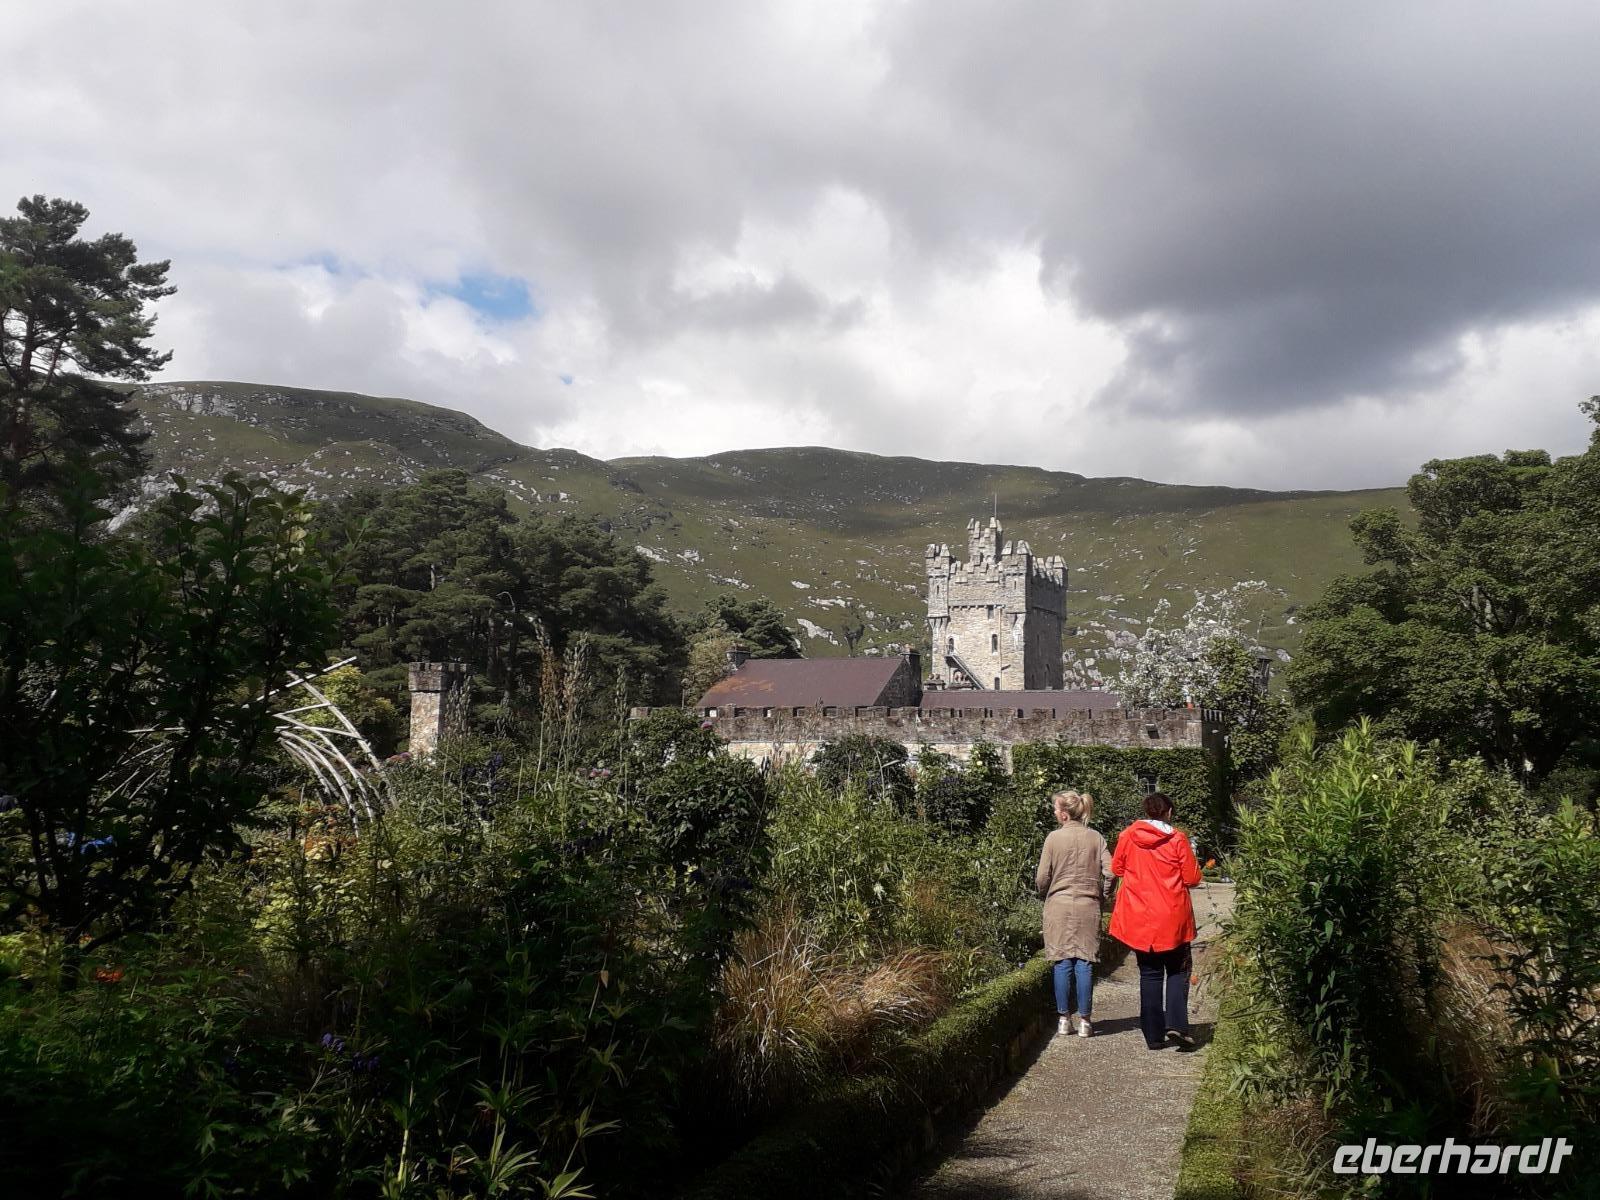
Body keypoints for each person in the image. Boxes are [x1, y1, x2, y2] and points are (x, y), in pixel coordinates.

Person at [1109, 792, 1203, 1050]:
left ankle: (1153, 1035)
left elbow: (1117, 868)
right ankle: (1177, 1025)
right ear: (1168, 812)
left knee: (1149, 975)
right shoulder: (1177, 838)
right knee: (1177, 970)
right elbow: (1192, 878)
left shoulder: (1128, 836)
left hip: (1140, 915)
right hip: (1172, 915)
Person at [1035, 789, 1113, 1038]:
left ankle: (1063, 1019)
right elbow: (1111, 872)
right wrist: (1103, 895)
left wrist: (1045, 892)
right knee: (1084, 962)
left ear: (1064, 814)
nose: (1054, 812)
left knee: (1062, 962)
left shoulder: (1053, 838)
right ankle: (1086, 1021)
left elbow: (1042, 877)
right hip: (1088, 905)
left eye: (1056, 808)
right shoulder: (1096, 837)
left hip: (1058, 905)